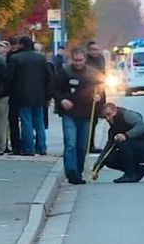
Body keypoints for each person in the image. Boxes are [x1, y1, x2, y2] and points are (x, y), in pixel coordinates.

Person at [53, 47, 103, 184]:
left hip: (86, 113)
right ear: (71, 59)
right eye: (75, 60)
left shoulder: (93, 74)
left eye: (80, 60)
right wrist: (62, 100)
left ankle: (78, 171)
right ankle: (71, 172)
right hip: (69, 113)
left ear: (85, 59)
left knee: (82, 146)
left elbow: (101, 89)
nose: (78, 63)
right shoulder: (64, 72)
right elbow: (54, 88)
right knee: (70, 143)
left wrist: (99, 98)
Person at [8, 35, 52, 156]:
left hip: (21, 94)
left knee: (26, 121)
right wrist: (48, 95)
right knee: (39, 121)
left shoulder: (15, 58)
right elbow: (48, 77)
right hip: (39, 95)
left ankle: (28, 148)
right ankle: (41, 147)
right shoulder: (41, 58)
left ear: (21, 45)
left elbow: (10, 77)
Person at [99, 103, 144, 183]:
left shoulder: (127, 115)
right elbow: (108, 147)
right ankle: (139, 170)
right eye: (105, 117)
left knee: (123, 143)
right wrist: (97, 166)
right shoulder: (113, 128)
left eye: (109, 114)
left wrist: (126, 135)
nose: (108, 118)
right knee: (108, 159)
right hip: (132, 148)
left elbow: (141, 127)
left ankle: (130, 174)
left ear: (115, 110)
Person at [86, 41, 106, 153]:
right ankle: (87, 145)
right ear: (88, 50)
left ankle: (91, 144)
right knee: (88, 122)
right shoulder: (86, 61)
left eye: (97, 50)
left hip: (100, 93)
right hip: (89, 94)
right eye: (93, 50)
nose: (95, 52)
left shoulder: (101, 59)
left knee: (94, 122)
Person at [7, 35, 22, 154]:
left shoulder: (11, 57)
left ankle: (16, 145)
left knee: (13, 121)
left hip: (12, 93)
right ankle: (32, 146)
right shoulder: (19, 57)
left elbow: (9, 76)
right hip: (22, 93)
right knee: (28, 121)